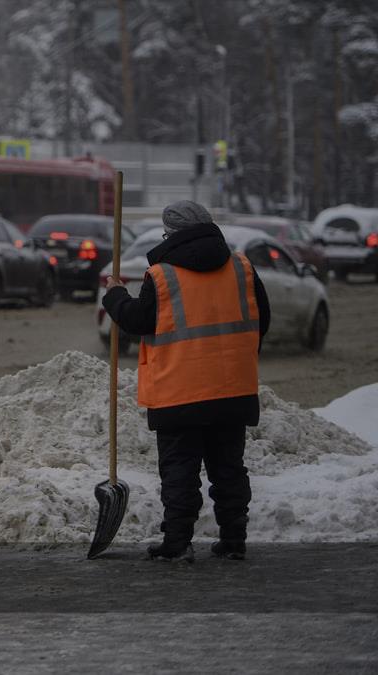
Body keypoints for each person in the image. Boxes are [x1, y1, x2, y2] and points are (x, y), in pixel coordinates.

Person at [102, 200, 270, 562]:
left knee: (179, 471)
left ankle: (177, 544)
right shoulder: (241, 267)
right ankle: (234, 540)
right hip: (232, 389)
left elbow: (137, 320)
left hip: (179, 392)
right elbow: (263, 319)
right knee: (229, 469)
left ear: (172, 234)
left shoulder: (163, 277)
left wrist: (115, 295)